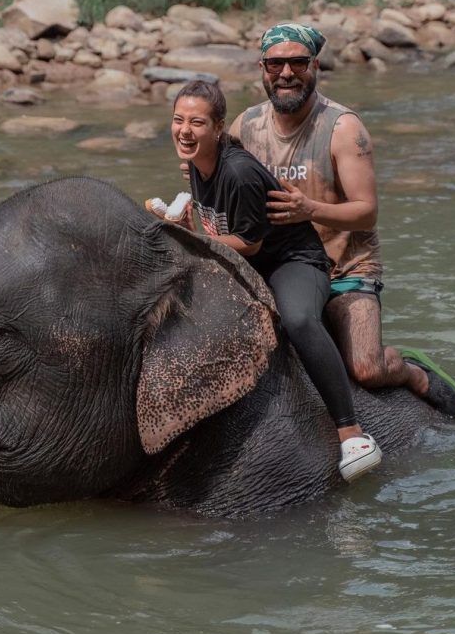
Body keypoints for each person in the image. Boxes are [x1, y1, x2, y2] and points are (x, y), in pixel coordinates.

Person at [228, 22, 455, 417]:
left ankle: (411, 372)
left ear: (315, 65)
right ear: (262, 68)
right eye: (275, 64)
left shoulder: (342, 128)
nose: (286, 74)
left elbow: (366, 210)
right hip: (280, 267)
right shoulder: (245, 127)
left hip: (345, 270)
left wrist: (310, 210)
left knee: (366, 369)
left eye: (298, 63)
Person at [158, 79, 383, 482]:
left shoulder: (239, 173)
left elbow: (247, 241)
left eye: (196, 122)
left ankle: (351, 431)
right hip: (253, 260)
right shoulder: (197, 160)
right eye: (178, 121)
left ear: (218, 127)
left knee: (297, 320)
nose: (185, 131)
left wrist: (190, 239)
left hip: (293, 261)